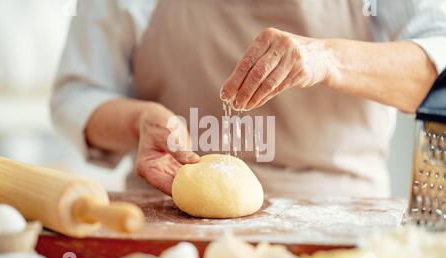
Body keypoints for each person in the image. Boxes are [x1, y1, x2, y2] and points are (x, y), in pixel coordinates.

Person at [51, 0, 446, 198]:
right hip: (169, 222)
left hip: (340, 223)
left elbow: (438, 67)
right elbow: (77, 94)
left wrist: (328, 59)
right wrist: (137, 122)